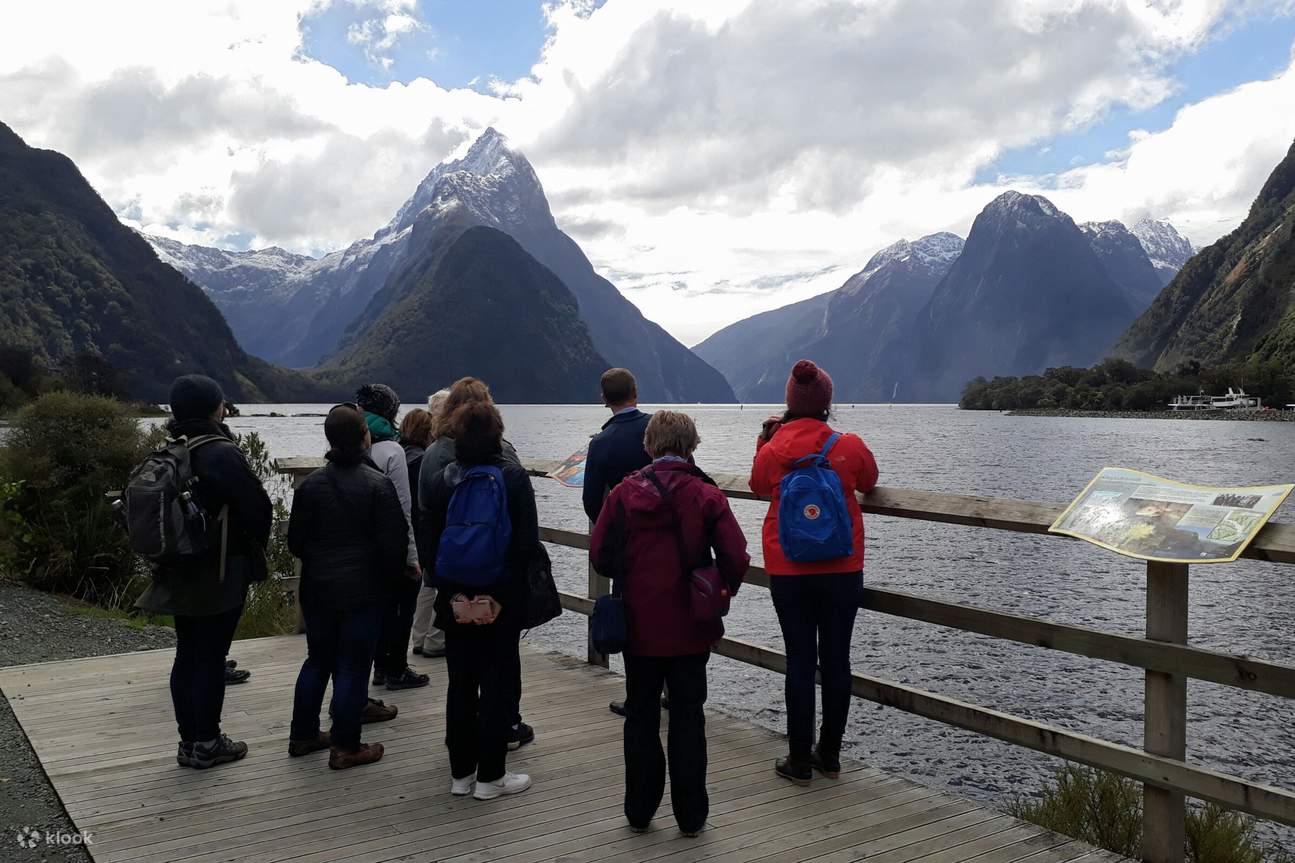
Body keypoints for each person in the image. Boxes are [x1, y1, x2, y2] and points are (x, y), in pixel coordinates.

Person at [590, 411, 749, 837]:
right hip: (691, 625)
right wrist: (718, 589)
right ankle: (691, 815)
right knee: (687, 715)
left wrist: (632, 574)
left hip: (639, 625)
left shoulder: (624, 494)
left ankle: (640, 810)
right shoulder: (706, 494)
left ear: (649, 445)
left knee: (640, 714)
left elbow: (600, 556)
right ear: (692, 445)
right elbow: (736, 555)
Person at [749, 360, 879, 785]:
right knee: (837, 660)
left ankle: (799, 760)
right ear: (827, 402)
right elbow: (870, 481)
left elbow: (756, 485)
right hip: (842, 567)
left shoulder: (772, 449)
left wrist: (763, 440)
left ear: (789, 401)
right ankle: (832, 755)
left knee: (800, 662)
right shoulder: (848, 444)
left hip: (788, 568)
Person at [136, 375, 272, 770]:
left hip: (177, 565)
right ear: (215, 408)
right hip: (218, 567)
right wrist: (251, 548)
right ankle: (209, 743)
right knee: (211, 657)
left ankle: (189, 741)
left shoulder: (173, 448)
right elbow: (258, 507)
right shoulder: (220, 451)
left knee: (188, 652)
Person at [420, 400, 538, 800]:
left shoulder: (442, 478)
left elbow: (429, 538)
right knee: (497, 682)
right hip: (499, 597)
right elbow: (525, 545)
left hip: (454, 595)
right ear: (497, 435)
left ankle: (460, 775)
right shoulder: (513, 477)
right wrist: (507, 592)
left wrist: (446, 586)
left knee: (461, 683)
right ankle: (491, 778)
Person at [286, 405, 409, 769]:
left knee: (317, 660)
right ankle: (346, 745)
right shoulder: (378, 485)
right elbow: (395, 546)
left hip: (318, 589)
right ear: (364, 438)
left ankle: (303, 734)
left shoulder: (310, 486)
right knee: (353, 666)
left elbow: (296, 543)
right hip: (362, 592)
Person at [582, 368, 653, 717]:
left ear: (603, 399)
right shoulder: (658, 428)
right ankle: (672, 690)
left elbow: (591, 501)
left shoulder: (602, 442)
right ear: (636, 391)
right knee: (668, 611)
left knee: (632, 617)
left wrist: (610, 527)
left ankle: (638, 695)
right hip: (669, 541)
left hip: (628, 543)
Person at [355, 384, 428, 692]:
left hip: (358, 549)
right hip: (390, 548)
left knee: (372, 612)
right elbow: (403, 508)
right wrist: (412, 558)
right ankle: (394, 669)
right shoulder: (392, 450)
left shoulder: (350, 442)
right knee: (400, 610)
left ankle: (377, 668)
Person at [406, 397, 446, 660]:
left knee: (426, 586)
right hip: (434, 526)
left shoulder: (413, 454)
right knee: (440, 585)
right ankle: (435, 638)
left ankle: (419, 637)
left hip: (420, 528)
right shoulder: (435, 453)